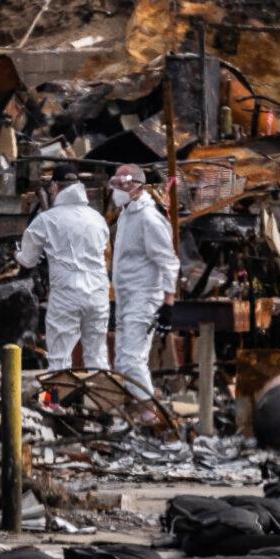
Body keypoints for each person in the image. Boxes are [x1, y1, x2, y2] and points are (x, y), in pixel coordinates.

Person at [15, 163, 110, 372]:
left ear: (56, 187)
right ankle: (103, 402)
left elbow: (28, 260)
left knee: (59, 358)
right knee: (97, 356)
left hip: (67, 294)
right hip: (98, 293)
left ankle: (58, 404)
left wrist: (17, 254)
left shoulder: (46, 220)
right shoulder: (97, 219)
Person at [109, 164, 180, 402]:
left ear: (137, 186)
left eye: (123, 184)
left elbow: (169, 262)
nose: (118, 188)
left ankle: (151, 413)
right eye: (116, 183)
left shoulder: (149, 218)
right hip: (126, 297)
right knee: (122, 361)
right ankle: (138, 413)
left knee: (132, 359)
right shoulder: (127, 215)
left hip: (144, 297)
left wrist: (168, 304)